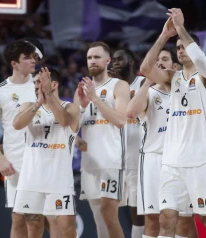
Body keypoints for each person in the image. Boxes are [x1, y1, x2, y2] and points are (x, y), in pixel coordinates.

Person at [140, 9, 206, 238]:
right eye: (177, 48)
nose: (180, 51)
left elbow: (201, 62)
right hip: (172, 162)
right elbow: (146, 70)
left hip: (201, 162)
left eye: (183, 46)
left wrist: (181, 28)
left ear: (195, 50)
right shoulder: (172, 78)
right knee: (166, 219)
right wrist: (164, 35)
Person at [127, 48, 195, 238]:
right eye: (156, 60)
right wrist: (148, 81)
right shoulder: (149, 93)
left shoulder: (186, 91)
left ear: (174, 66)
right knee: (153, 218)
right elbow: (131, 113)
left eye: (164, 59)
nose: (159, 63)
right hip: (154, 159)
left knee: (184, 219)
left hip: (180, 159)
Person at [12, 68, 79, 238]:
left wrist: (48, 95)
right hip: (31, 179)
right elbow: (17, 124)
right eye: (34, 82)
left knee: (66, 228)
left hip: (59, 180)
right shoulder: (29, 106)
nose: (35, 85)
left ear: (53, 84)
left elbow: (64, 121)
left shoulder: (71, 107)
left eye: (38, 81)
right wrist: (38, 103)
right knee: (32, 225)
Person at [0, 39, 36, 238]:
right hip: (17, 163)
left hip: (45, 159)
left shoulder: (42, 85)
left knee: (50, 218)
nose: (33, 61)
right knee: (19, 218)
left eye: (33, 57)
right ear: (14, 63)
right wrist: (0, 158)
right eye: (27, 58)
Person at [78, 41, 130, 238]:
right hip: (90, 162)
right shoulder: (82, 89)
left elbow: (120, 120)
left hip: (111, 160)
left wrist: (95, 99)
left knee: (109, 215)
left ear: (108, 61)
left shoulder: (119, 85)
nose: (92, 61)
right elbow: (73, 129)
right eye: (90, 57)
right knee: (98, 220)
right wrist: (82, 105)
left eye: (97, 57)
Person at [111, 48, 145, 237]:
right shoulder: (111, 87)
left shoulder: (143, 84)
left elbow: (135, 109)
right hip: (119, 156)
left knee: (140, 210)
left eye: (120, 59)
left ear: (131, 61)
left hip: (141, 154)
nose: (115, 63)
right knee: (123, 211)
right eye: (113, 60)